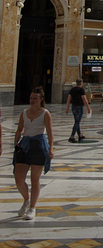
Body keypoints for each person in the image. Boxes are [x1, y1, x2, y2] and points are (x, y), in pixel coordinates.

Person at [13, 86, 54, 221]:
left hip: (39, 146)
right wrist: (16, 141)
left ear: (41, 100)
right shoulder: (24, 112)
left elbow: (49, 132)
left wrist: (51, 148)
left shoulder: (45, 113)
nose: (32, 101)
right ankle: (26, 199)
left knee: (34, 179)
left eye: (35, 99)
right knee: (18, 178)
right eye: (31, 98)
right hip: (25, 145)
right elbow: (20, 129)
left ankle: (32, 207)